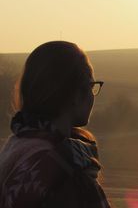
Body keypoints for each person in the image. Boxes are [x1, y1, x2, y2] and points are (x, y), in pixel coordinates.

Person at [0, 41, 112, 208]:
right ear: (75, 94)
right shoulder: (67, 170)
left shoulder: (14, 149)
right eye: (91, 86)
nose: (92, 95)